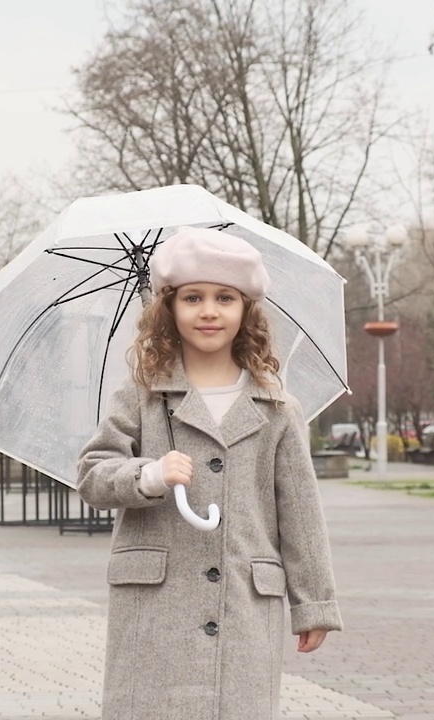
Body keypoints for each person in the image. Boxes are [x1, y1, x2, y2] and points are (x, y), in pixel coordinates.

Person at [76, 226, 342, 720]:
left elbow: (300, 512)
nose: (209, 311)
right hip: (155, 608)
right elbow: (93, 475)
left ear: (246, 311)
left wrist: (314, 604)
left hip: (242, 602)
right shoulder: (141, 395)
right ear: (169, 309)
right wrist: (148, 475)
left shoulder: (279, 407)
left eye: (225, 297)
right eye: (192, 297)